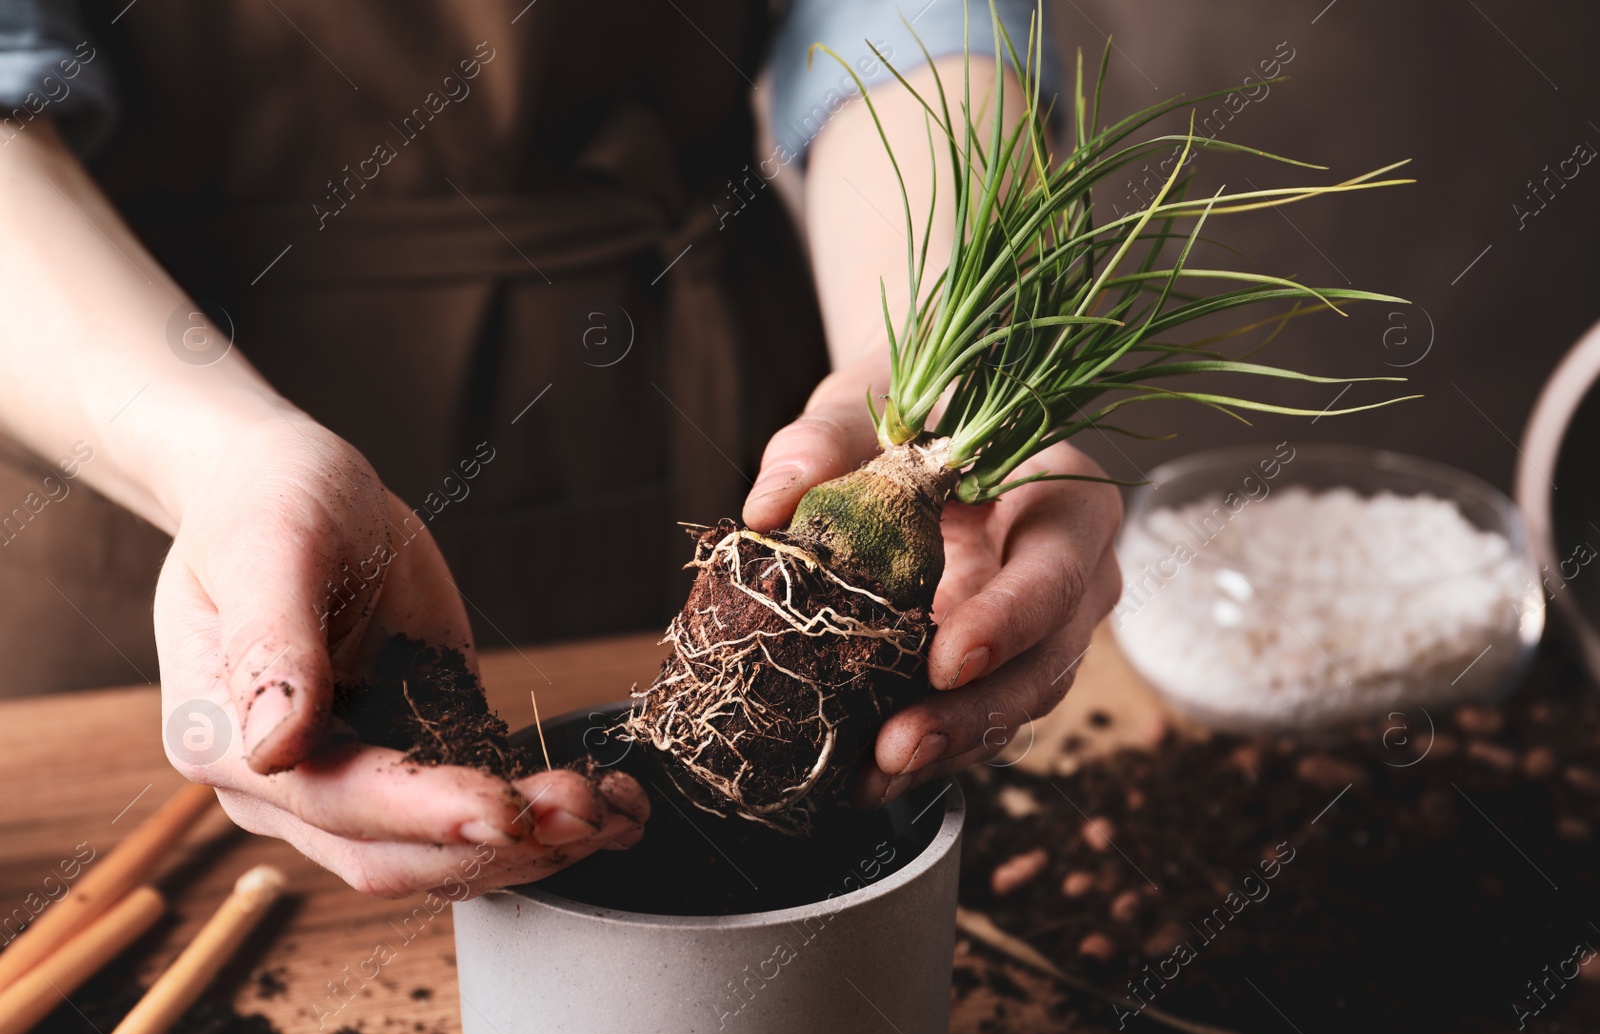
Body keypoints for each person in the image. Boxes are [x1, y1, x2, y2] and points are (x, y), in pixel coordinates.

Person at [0, 0, 1120, 897]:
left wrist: (930, 358)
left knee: (748, 863)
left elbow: (909, 19)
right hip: (140, 412)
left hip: (697, 387)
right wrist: (223, 463)